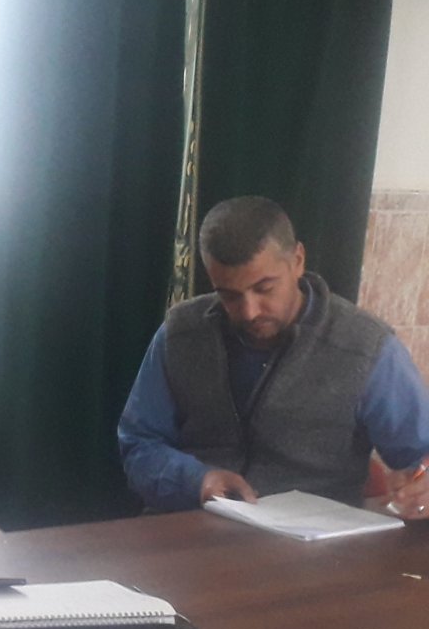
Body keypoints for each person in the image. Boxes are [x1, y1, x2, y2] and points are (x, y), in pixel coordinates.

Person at [119, 196, 429, 513]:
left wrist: (422, 486)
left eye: (264, 289)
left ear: (298, 260)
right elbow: (139, 444)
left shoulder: (366, 348)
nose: (250, 311)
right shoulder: (181, 333)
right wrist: (196, 480)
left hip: (311, 536)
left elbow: (422, 459)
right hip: (188, 527)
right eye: (229, 296)